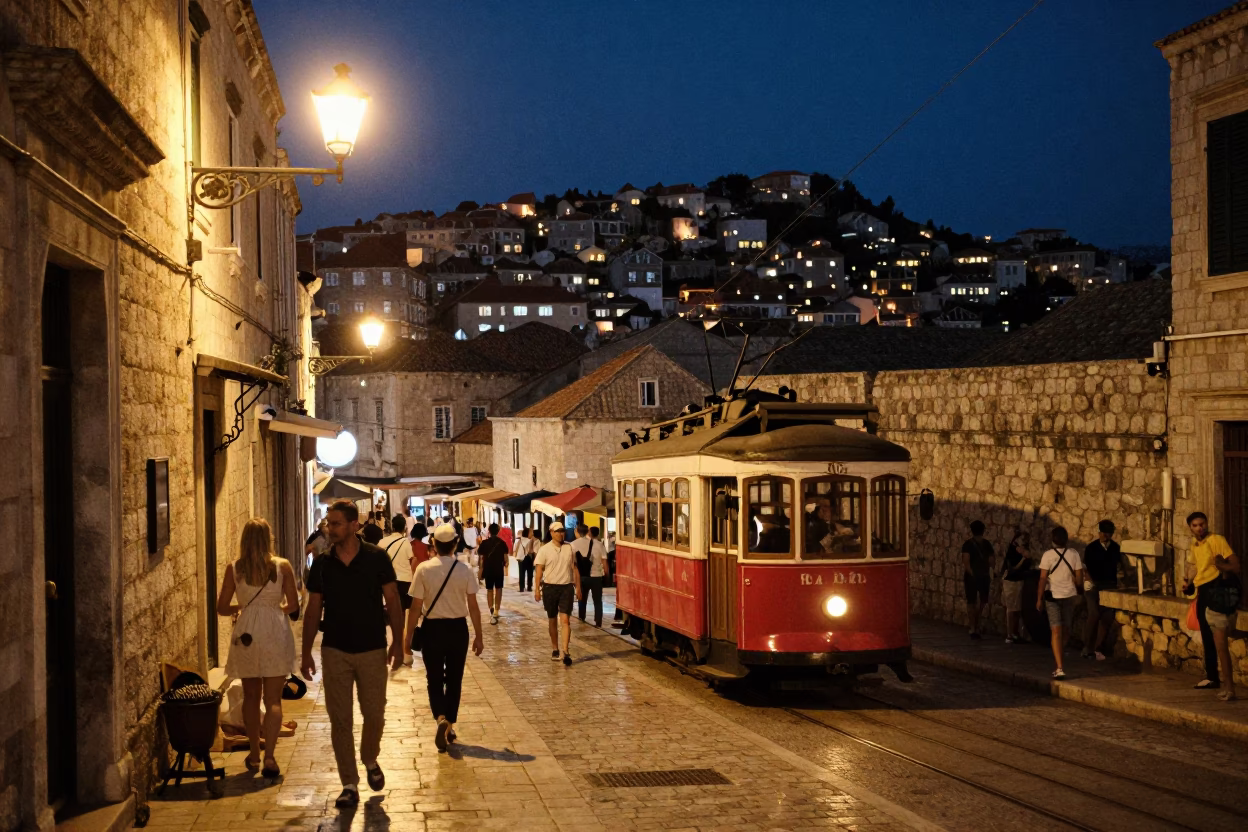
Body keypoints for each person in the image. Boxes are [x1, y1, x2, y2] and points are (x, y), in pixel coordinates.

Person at [302, 500, 405, 809]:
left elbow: (394, 601)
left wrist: (398, 644)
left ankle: (370, 757)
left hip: (373, 647)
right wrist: (306, 652)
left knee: (375, 713)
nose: (328, 529)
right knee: (340, 719)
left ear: (352, 525)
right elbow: (313, 609)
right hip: (335, 649)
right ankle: (349, 783)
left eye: (334, 524)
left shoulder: (377, 558)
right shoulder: (322, 564)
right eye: (328, 524)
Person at [216, 518, 299, 778]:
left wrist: (243, 608)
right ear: (268, 538)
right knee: (273, 699)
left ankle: (254, 752)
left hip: (247, 631)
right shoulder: (282, 566)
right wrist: (276, 610)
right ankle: (271, 758)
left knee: (251, 697)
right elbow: (294, 606)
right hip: (275, 630)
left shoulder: (235, 569)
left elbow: (221, 608)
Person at [405, 525, 484, 751]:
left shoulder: (423, 569)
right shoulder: (465, 570)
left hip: (432, 630)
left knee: (435, 678)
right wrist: (479, 636)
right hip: (458, 629)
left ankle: (441, 718)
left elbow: (415, 606)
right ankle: (449, 724)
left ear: (434, 545)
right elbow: (474, 607)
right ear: (455, 545)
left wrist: (407, 637)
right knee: (455, 679)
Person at [1183, 511, 1240, 698]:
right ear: (1190, 528)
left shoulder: (1217, 540)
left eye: (1202, 524)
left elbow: (1234, 565)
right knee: (1206, 635)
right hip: (1202, 590)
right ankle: (1212, 676)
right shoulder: (1195, 544)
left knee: (1219, 640)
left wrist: (1221, 567)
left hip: (1215, 590)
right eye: (1195, 525)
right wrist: (1189, 582)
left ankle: (1226, 684)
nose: (1200, 528)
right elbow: (1196, 566)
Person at [1036, 526, 1084, 679]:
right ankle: (1059, 666)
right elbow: (1078, 577)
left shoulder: (1058, 555)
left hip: (1066, 596)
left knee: (1064, 630)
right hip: (1056, 597)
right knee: (1058, 630)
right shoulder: (1069, 555)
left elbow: (1043, 578)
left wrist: (1038, 599)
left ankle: (1058, 656)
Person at [535, 525, 582, 666]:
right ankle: (555, 648)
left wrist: (578, 587)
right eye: (558, 532)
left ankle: (566, 651)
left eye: (562, 531)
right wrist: (537, 589)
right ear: (551, 533)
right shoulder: (544, 550)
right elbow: (539, 570)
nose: (561, 534)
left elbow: (574, 568)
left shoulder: (570, 548)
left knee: (566, 619)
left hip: (566, 587)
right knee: (552, 619)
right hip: (549, 587)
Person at [1081, 520, 1121, 661]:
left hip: (1109, 585)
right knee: (1094, 614)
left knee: (1107, 618)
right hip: (1094, 585)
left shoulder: (1115, 548)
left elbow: (1119, 566)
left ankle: (1098, 647)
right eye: (1103, 532)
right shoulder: (1091, 548)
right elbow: (1085, 567)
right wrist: (1089, 581)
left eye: (1108, 533)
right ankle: (1087, 647)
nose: (1105, 535)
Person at [379, 515, 416, 666]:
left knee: (387, 614)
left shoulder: (382, 542)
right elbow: (411, 559)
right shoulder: (406, 542)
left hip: (386, 581)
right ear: (404, 528)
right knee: (401, 614)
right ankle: (401, 648)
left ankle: (390, 647)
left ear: (392, 526)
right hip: (403, 581)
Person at [961, 520, 994, 639]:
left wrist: (972, 573)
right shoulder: (987, 544)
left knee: (971, 602)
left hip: (971, 577)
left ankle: (972, 627)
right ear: (983, 530)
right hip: (984, 576)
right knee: (982, 601)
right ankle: (978, 624)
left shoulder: (967, 544)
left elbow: (966, 562)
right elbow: (991, 561)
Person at [573, 525, 609, 626]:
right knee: (597, 601)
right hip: (596, 577)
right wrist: (606, 575)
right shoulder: (599, 544)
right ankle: (598, 621)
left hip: (582, 576)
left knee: (582, 599)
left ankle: (581, 617)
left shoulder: (574, 544)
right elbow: (604, 562)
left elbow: (572, 563)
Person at [1000, 530, 1031, 644]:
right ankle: (1009, 634)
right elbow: (1013, 568)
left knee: (1018, 608)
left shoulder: (1024, 550)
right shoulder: (1012, 551)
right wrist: (1023, 558)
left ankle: (1016, 633)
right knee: (1011, 608)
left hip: (1020, 580)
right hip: (1011, 581)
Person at [477, 523, 509, 624]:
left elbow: (481, 559)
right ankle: (496, 611)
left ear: (489, 531)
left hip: (488, 569)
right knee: (498, 589)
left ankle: (491, 608)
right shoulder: (502, 543)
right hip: (498, 569)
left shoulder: (484, 543)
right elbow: (506, 560)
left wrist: (481, 569)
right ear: (498, 531)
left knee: (489, 590)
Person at [515, 528, 537, 592]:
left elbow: (516, 549)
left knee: (521, 573)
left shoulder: (519, 540)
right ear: (528, 533)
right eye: (531, 532)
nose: (532, 533)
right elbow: (530, 550)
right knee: (530, 573)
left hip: (521, 558)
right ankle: (529, 587)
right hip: (528, 558)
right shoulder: (531, 540)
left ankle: (521, 588)